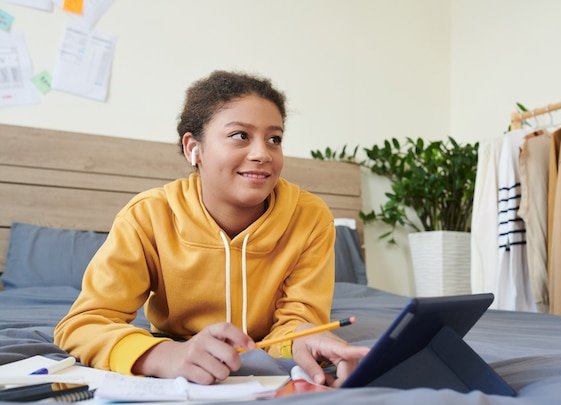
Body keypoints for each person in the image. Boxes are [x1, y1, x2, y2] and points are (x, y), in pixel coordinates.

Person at [54, 70, 369, 387]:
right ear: (194, 148)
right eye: (240, 136)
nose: (262, 153)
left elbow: (298, 319)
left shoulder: (310, 217)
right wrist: (165, 356)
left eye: (274, 139)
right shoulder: (148, 216)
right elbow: (83, 324)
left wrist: (300, 338)